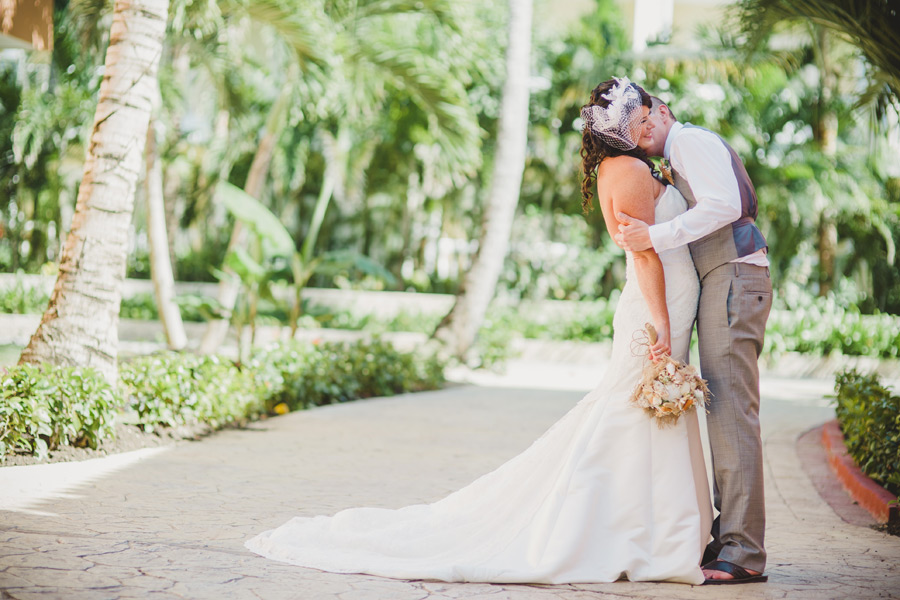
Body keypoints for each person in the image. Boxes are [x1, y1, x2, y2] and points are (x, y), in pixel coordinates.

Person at [244, 77, 712, 586]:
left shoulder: (626, 166)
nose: (649, 124)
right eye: (639, 119)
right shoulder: (627, 170)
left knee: (640, 408)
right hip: (656, 307)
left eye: (648, 117)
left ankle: (649, 529)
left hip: (668, 302)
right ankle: (630, 532)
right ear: (620, 131)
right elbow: (642, 252)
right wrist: (661, 321)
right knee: (632, 407)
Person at [616, 95, 772, 585]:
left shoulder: (688, 140)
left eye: (644, 119)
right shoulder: (677, 150)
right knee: (723, 412)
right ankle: (730, 538)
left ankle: (743, 552)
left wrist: (655, 237)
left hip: (734, 275)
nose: (641, 131)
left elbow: (723, 205)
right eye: (630, 129)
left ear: (662, 111)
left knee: (731, 414)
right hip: (725, 276)